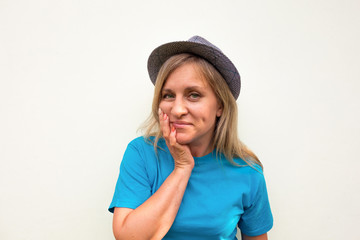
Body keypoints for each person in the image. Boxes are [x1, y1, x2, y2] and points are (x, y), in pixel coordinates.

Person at [109, 36, 273, 240]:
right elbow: (128, 237)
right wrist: (182, 168)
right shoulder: (141, 154)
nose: (177, 110)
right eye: (168, 95)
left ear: (220, 105)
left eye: (193, 95)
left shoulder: (247, 171)